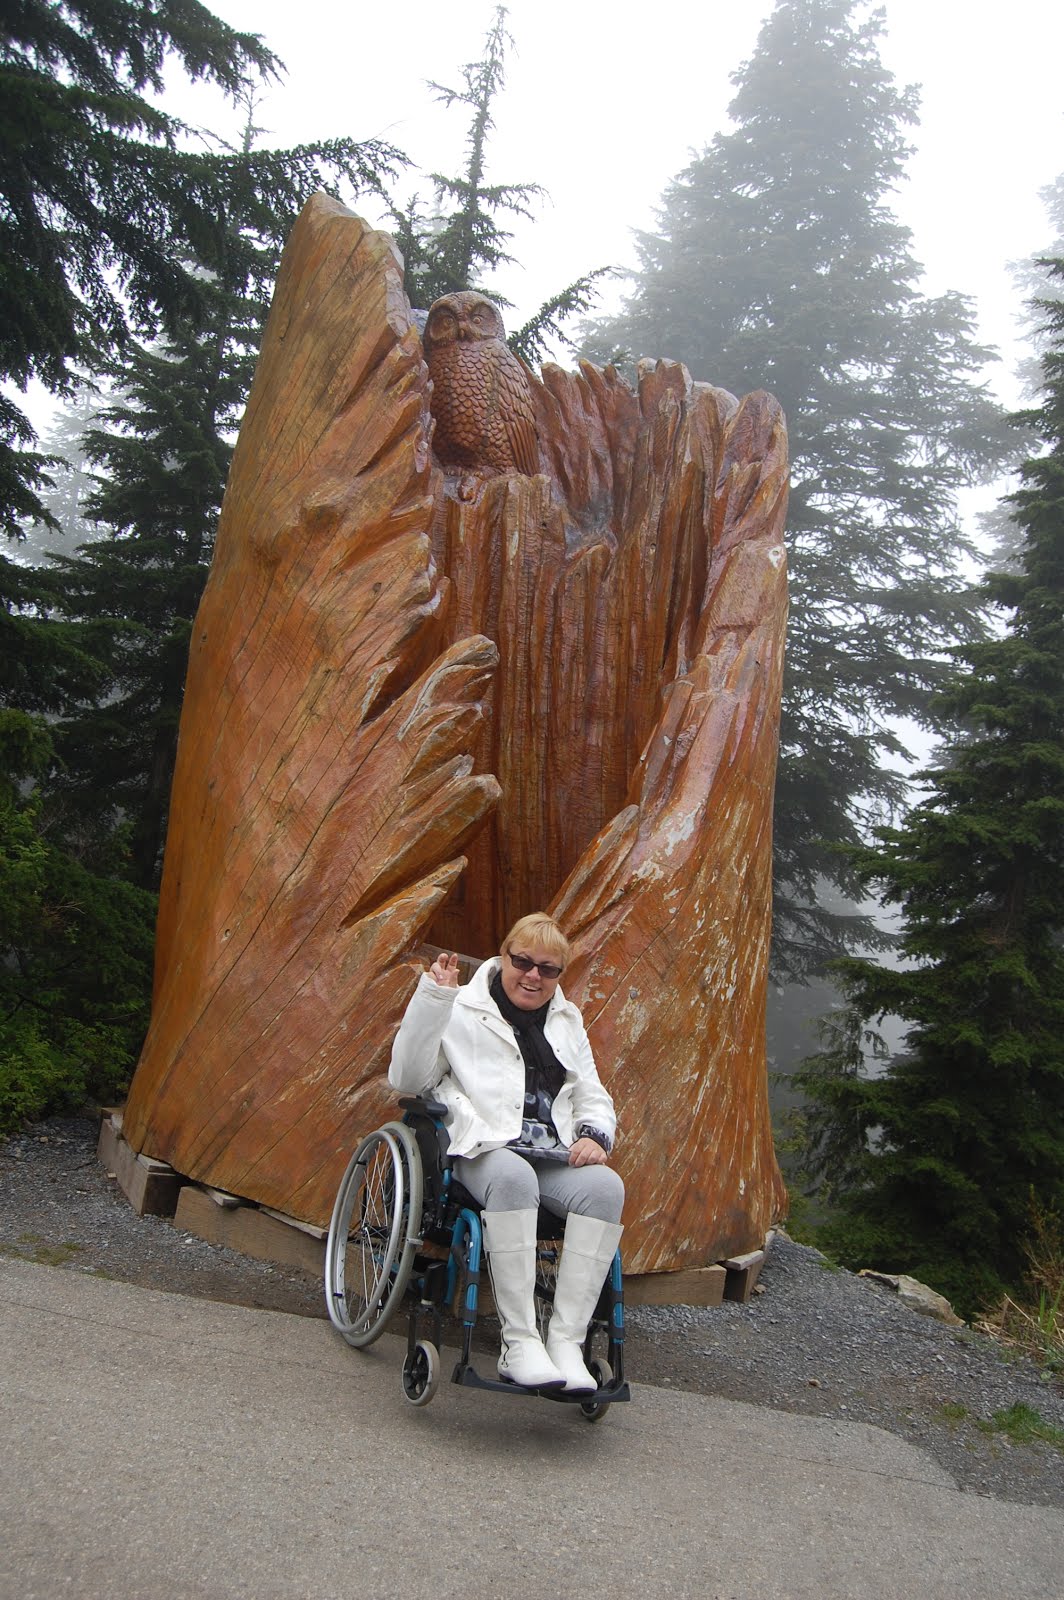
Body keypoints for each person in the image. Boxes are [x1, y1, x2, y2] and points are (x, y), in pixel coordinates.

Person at [389, 912, 624, 1393]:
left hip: (549, 1154)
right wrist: (435, 998)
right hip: (481, 1146)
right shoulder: (462, 1005)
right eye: (523, 962)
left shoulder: (566, 1019)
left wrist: (594, 1135)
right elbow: (407, 1081)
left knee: (605, 1188)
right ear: (504, 956)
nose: (533, 976)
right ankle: (519, 1343)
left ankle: (565, 1343)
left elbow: (593, 1094)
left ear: (560, 975)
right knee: (514, 1177)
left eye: (548, 968)